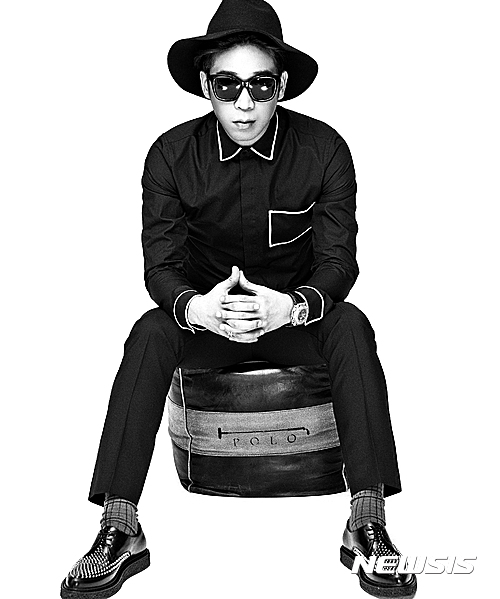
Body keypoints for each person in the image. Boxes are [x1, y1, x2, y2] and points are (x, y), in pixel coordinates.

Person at [60, 1, 417, 598]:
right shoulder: (170, 155)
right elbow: (160, 268)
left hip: (293, 320)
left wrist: (291, 307)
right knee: (148, 330)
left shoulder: (325, 149)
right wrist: (197, 308)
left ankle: (368, 520)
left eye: (260, 85)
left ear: (282, 85)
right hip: (206, 324)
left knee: (353, 325)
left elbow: (339, 263)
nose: (244, 102)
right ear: (206, 86)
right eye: (228, 85)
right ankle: (120, 526)